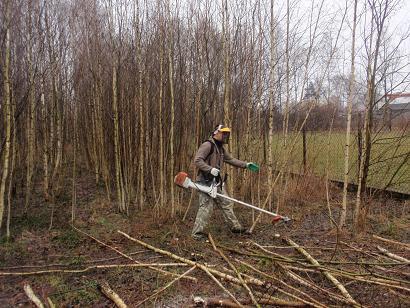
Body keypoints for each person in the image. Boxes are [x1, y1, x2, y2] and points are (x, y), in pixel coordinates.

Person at [191, 124, 259, 241]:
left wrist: (246, 164)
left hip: (215, 182)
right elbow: (197, 160)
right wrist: (210, 169)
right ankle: (196, 234)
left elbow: (230, 159)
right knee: (206, 207)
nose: (225, 136)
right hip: (204, 182)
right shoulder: (208, 145)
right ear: (216, 133)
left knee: (226, 202)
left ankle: (235, 227)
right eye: (223, 133)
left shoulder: (221, 148)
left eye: (227, 134)